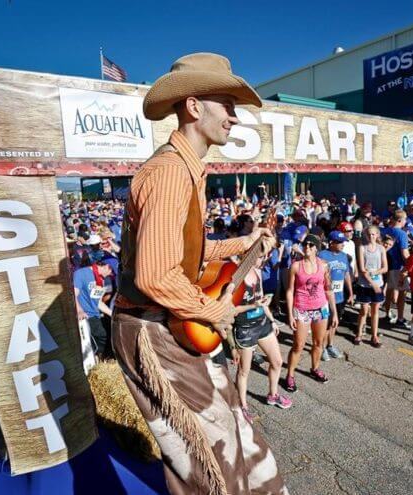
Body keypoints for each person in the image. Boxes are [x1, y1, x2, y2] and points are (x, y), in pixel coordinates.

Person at [111, 53, 287, 494]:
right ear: (193, 107)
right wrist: (216, 311)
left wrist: (240, 245)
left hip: (171, 325)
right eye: (226, 103)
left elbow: (182, 253)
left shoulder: (187, 170)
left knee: (236, 436)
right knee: (209, 466)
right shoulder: (170, 173)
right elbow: (155, 276)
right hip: (153, 330)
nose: (234, 115)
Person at [231, 255, 292, 423]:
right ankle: (242, 405)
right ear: (249, 256)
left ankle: (273, 395)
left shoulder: (257, 272)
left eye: (264, 256)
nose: (263, 260)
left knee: (277, 361)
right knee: (244, 371)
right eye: (260, 256)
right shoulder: (236, 277)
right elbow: (232, 310)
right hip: (245, 328)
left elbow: (262, 301)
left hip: (263, 324)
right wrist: (254, 305)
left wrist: (272, 320)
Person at [284, 234, 338, 391]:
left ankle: (315, 368)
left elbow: (328, 290)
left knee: (318, 343)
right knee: (298, 345)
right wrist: (290, 313)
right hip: (302, 309)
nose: (306, 247)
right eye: (305, 244)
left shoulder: (324, 266)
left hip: (321, 309)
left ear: (316, 248)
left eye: (310, 244)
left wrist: (334, 312)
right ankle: (290, 375)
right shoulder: (296, 266)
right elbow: (289, 291)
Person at [318, 230, 353, 360]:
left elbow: (346, 275)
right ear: (332, 243)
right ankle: (321, 347)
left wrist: (350, 292)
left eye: (343, 242)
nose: (343, 244)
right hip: (325, 297)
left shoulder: (344, 256)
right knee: (325, 324)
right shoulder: (322, 255)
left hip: (339, 296)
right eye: (340, 242)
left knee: (334, 323)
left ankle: (330, 345)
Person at [354, 225, 388, 347]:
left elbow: (385, 268)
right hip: (365, 284)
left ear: (377, 235)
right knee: (363, 311)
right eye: (368, 234)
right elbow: (362, 269)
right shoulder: (362, 248)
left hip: (377, 283)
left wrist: (375, 273)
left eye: (373, 234)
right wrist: (372, 283)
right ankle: (359, 334)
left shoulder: (381, 248)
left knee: (375, 311)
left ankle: (374, 335)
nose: (371, 236)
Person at [73, 260, 114, 358]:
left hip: (96, 315)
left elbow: (98, 303)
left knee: (110, 333)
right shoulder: (81, 273)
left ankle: (104, 359)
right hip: (87, 316)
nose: (110, 275)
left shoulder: (101, 280)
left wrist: (112, 313)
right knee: (102, 336)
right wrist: (79, 310)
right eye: (110, 272)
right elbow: (73, 295)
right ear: (106, 266)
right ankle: (99, 359)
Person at [381, 210, 411, 331]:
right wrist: (411, 264)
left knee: (389, 291)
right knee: (402, 293)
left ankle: (387, 314)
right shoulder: (402, 234)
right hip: (398, 267)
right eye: (404, 220)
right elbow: (405, 253)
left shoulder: (385, 230)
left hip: (387, 265)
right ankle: (400, 318)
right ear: (400, 220)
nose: (405, 222)